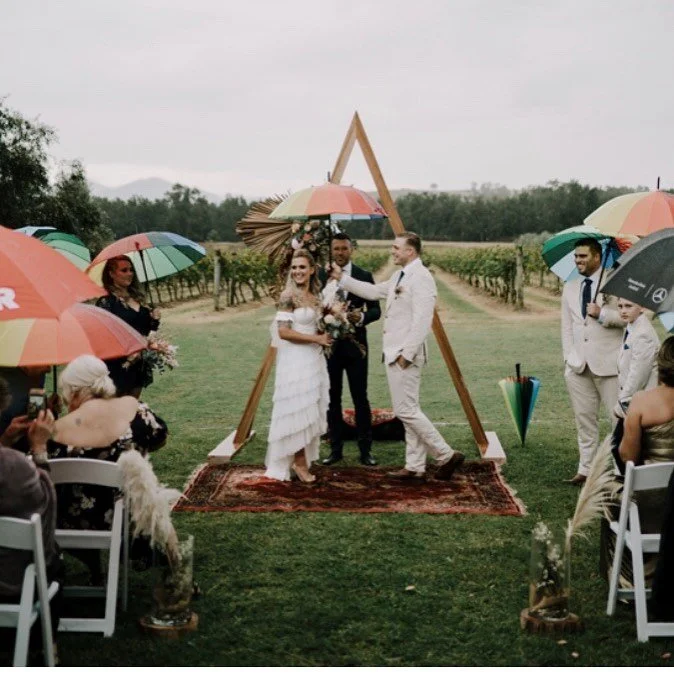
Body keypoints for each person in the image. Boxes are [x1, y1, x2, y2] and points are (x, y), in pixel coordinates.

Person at [330, 232, 464, 483]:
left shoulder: (421, 278)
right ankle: (414, 467)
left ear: (410, 251)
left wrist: (407, 354)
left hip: (405, 354)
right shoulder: (399, 276)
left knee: (405, 411)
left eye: (396, 248)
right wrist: (341, 278)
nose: (392, 251)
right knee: (409, 409)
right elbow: (372, 291)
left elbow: (423, 320)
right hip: (394, 352)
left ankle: (445, 455)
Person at [47, 355, 168, 581]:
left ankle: (94, 569)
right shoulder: (136, 409)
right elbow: (160, 438)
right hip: (128, 517)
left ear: (74, 391)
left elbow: (41, 469)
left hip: (71, 522)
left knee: (64, 500)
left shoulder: (56, 431)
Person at [600, 336, 674, 590]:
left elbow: (628, 457)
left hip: (652, 508)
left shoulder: (642, 401)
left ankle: (627, 581)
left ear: (661, 365)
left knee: (608, 499)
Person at [0, 377, 62, 662]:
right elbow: (46, 512)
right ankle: (42, 645)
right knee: (53, 559)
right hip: (11, 585)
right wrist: (38, 448)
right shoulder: (17, 468)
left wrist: (5, 441)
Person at [561, 238, 625, 485]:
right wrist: (569, 357)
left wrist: (603, 314)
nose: (578, 260)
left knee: (617, 420)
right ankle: (585, 469)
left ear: (597, 256)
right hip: (578, 366)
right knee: (584, 419)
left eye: (583, 256)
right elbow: (566, 326)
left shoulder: (616, 281)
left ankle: (620, 471)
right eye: (576, 256)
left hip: (609, 365)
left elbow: (632, 315)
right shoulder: (570, 287)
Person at [265, 248, 332, 483]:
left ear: (312, 270)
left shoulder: (317, 297)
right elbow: (283, 332)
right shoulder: (287, 296)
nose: (297, 271)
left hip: (314, 359)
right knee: (297, 407)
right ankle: (299, 462)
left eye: (302, 267)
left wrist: (332, 327)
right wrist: (317, 339)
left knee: (309, 408)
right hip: (295, 359)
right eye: (294, 267)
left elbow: (320, 326)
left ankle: (302, 457)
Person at [319, 233, 381, 467]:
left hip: (357, 348)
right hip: (330, 347)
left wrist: (361, 317)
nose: (340, 253)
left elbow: (376, 310)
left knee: (360, 398)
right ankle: (335, 450)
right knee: (332, 398)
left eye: (344, 249)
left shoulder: (364, 276)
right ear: (331, 251)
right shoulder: (322, 276)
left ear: (351, 249)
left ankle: (366, 450)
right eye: (336, 249)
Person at [95, 255, 161, 398]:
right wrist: (129, 352)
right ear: (111, 274)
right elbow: (104, 336)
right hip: (118, 365)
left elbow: (148, 331)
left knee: (132, 410)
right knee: (116, 412)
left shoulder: (139, 299)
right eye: (124, 270)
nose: (129, 273)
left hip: (138, 365)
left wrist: (155, 321)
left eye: (131, 270)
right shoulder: (107, 302)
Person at [610, 299, 660, 472]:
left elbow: (638, 375)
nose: (623, 311)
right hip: (633, 399)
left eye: (628, 306)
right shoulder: (632, 327)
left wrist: (621, 403)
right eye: (620, 306)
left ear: (642, 307)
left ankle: (631, 485)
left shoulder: (643, 334)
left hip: (638, 399)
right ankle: (629, 484)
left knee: (621, 446)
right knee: (621, 446)